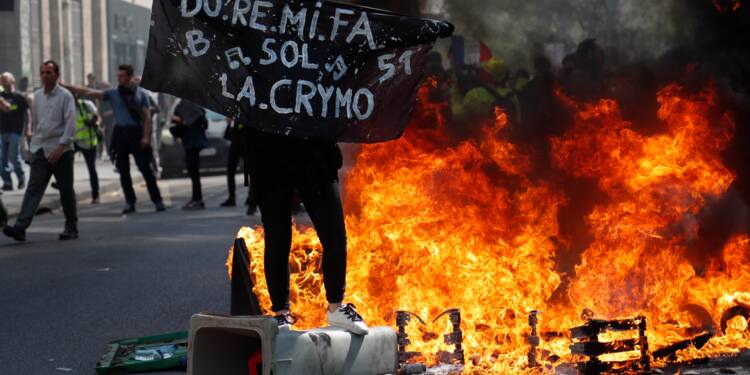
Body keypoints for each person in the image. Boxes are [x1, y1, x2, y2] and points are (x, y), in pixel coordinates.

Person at [245, 126, 369, 335]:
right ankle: (281, 313)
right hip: (269, 154)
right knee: (278, 237)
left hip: (315, 153)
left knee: (335, 235)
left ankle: (336, 307)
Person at [64, 65, 165, 214]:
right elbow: (88, 91)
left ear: (130, 77)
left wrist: (145, 137)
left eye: (121, 76)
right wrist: (65, 86)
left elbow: (148, 117)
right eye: (117, 76)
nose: (118, 79)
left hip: (136, 134)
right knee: (123, 171)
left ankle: (157, 201)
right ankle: (130, 202)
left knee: (146, 169)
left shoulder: (141, 94)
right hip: (121, 134)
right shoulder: (113, 93)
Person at [3, 60, 78, 242]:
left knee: (66, 190)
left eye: (49, 73)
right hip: (41, 149)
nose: (45, 76)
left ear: (56, 75)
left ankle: (71, 227)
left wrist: (61, 147)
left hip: (61, 151)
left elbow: (70, 124)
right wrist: (32, 148)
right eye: (43, 73)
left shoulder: (65, 96)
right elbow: (36, 124)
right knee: (34, 189)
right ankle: (20, 227)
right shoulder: (37, 96)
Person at [171, 99, 207, 210]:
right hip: (192, 142)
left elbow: (176, 120)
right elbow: (205, 124)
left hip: (193, 142)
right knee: (193, 172)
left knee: (193, 172)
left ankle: (197, 199)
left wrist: (183, 122)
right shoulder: (195, 106)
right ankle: (197, 199)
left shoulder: (190, 106)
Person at [0, 72, 30, 190]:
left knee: (14, 156)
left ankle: (20, 176)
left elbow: (27, 113)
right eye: (1, 80)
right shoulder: (0, 96)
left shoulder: (19, 96)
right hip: (2, 130)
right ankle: (7, 182)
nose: (2, 81)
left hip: (15, 130)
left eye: (5, 79)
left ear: (12, 81)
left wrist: (28, 128)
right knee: (2, 158)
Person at [221, 119, 257, 215]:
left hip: (246, 145)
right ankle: (231, 197)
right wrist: (230, 123)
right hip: (235, 145)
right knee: (230, 171)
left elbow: (244, 128)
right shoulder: (232, 119)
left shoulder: (243, 116)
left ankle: (252, 200)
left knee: (252, 172)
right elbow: (228, 135)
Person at [74, 96, 101, 204]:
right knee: (64, 167)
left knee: (91, 169)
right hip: (73, 142)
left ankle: (96, 195)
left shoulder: (85, 105)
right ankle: (65, 191)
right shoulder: (64, 107)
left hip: (88, 142)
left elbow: (98, 117)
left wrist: (94, 122)